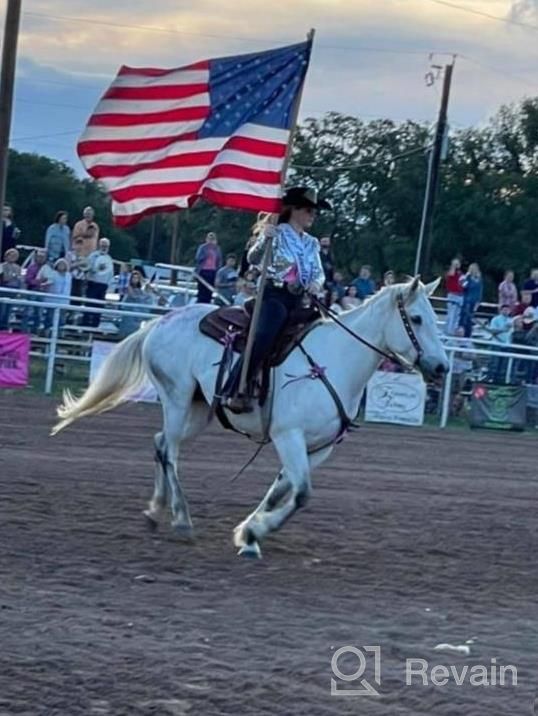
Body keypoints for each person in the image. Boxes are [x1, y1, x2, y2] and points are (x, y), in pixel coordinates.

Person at [225, 186, 330, 413]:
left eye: (314, 212)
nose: (313, 216)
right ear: (295, 210)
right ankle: (236, 388)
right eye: (310, 211)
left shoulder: (311, 243)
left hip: (300, 298)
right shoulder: (277, 232)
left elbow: (319, 272)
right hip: (274, 295)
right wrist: (264, 238)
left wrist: (316, 284)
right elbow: (253, 259)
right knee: (264, 334)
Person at [83, 238, 114, 328]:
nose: (104, 247)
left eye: (106, 246)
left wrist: (109, 287)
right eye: (102, 245)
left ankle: (95, 325)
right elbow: (87, 267)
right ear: (99, 245)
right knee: (89, 303)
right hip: (93, 283)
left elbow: (110, 274)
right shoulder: (93, 256)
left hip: (103, 285)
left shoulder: (109, 259)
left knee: (99, 305)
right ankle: (86, 323)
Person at [487, 304, 513, 383]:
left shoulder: (511, 320)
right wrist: (503, 329)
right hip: (496, 344)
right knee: (494, 363)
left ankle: (500, 381)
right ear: (501, 310)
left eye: (507, 310)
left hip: (507, 345)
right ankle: (491, 379)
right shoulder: (495, 319)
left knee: (503, 365)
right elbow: (492, 331)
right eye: (504, 309)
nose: (506, 311)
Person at [195, 232, 222, 303]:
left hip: (212, 271)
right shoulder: (202, 247)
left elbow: (219, 260)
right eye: (209, 239)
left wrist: (218, 271)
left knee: (209, 290)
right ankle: (200, 302)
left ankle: (208, 302)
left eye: (212, 239)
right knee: (202, 290)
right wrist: (206, 254)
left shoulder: (217, 249)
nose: (211, 240)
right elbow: (198, 258)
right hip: (203, 271)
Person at [0, 248, 22, 330]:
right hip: (4, 290)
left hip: (14, 290)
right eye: (11, 255)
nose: (13, 257)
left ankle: (5, 327)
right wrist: (13, 276)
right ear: (6, 256)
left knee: (9, 310)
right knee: (2, 309)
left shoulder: (18, 267)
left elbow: (20, 280)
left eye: (15, 256)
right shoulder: (2, 266)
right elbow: (5, 278)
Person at [459, 263, 483, 337]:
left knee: (470, 319)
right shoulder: (467, 278)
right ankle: (462, 334)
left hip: (474, 301)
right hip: (467, 301)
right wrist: (466, 277)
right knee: (464, 318)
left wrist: (478, 302)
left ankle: (468, 335)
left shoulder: (479, 280)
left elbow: (480, 291)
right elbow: (463, 286)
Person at [444, 257, 463, 335]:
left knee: (457, 315)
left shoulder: (460, 273)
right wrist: (453, 266)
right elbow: (451, 274)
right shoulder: (451, 272)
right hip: (453, 295)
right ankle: (448, 331)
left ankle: (454, 330)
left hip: (460, 295)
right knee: (451, 314)